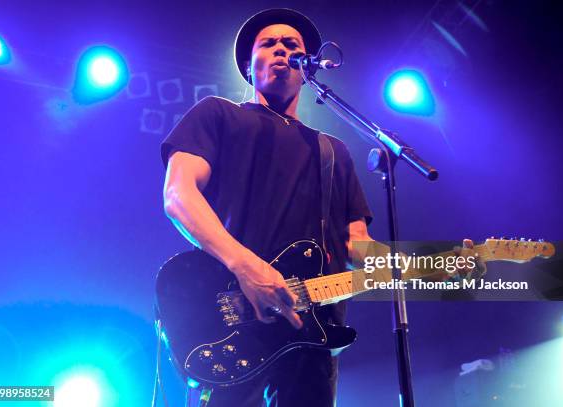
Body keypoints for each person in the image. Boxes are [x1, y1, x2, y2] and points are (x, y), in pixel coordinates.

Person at [161, 8, 480, 406]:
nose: (282, 50)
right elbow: (178, 195)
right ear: (248, 63)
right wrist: (247, 267)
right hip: (235, 313)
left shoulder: (333, 151)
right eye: (269, 43)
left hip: (314, 328)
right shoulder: (217, 114)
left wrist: (435, 264)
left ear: (309, 65)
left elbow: (356, 248)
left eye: (292, 45)